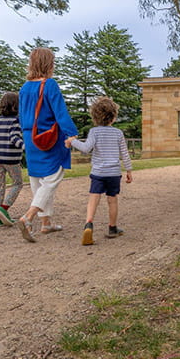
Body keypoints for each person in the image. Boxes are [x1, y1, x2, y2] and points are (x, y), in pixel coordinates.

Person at [16, 47, 78, 242]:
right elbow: (60, 113)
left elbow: (21, 115)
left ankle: (46, 223)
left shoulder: (25, 87)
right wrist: (72, 133)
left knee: (37, 179)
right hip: (48, 137)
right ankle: (29, 216)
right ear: (50, 64)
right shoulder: (49, 84)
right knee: (53, 177)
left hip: (30, 136)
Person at [65, 96, 133, 246]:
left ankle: (88, 225)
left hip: (98, 173)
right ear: (113, 116)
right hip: (114, 173)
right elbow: (124, 153)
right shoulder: (118, 133)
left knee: (93, 199)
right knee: (112, 199)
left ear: (94, 116)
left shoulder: (94, 132)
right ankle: (112, 228)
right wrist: (128, 170)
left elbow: (85, 149)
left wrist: (72, 141)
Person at [0, 92, 25, 227]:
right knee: (18, 183)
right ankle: (3, 209)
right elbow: (14, 138)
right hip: (11, 159)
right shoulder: (16, 121)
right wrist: (25, 146)